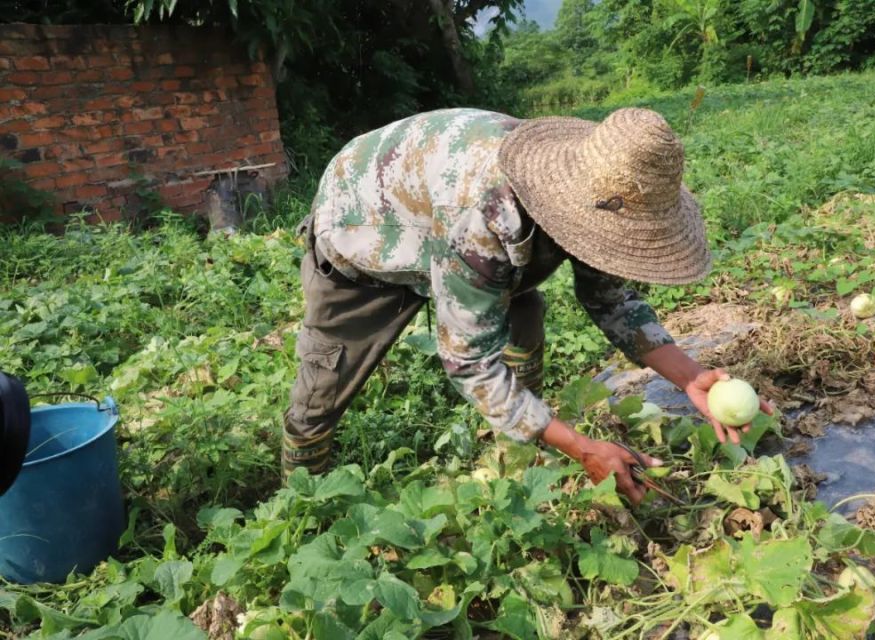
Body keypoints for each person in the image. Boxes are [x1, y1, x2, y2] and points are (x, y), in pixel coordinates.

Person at [284, 107, 772, 504]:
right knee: (325, 383)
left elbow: (612, 298)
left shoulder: (599, 188)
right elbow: (469, 361)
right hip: (367, 224)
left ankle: (521, 457)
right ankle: (299, 506)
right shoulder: (483, 216)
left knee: (525, 315)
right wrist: (584, 449)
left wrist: (691, 378)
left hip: (448, 213)